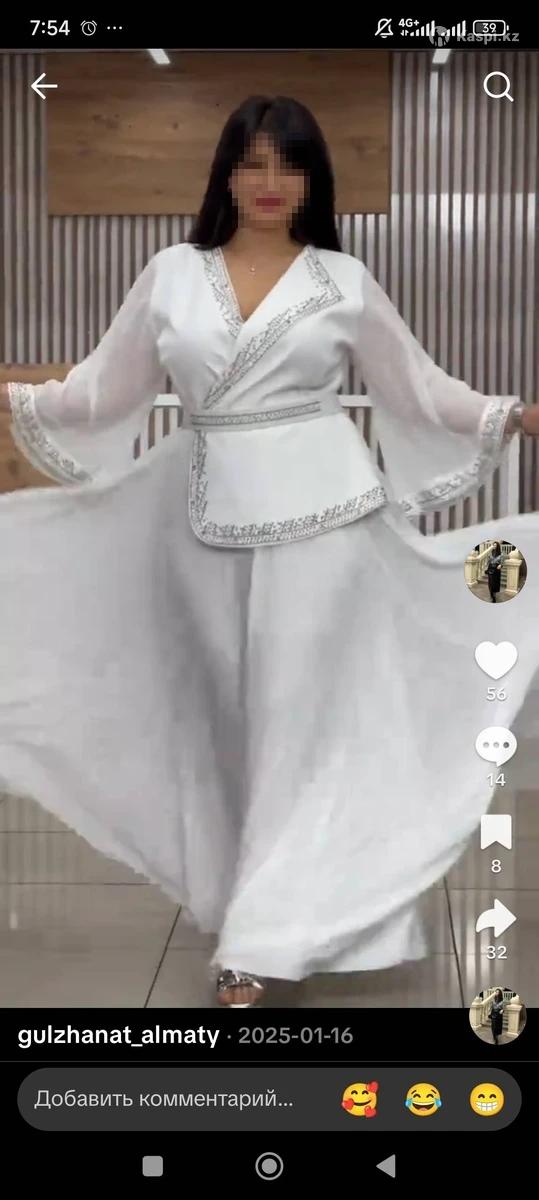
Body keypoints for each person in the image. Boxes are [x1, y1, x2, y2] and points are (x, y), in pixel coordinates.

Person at [1, 95, 539, 1009]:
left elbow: (419, 389)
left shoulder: (344, 279)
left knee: (302, 726)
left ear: (312, 180)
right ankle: (264, 902)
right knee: (227, 728)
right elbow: (99, 391)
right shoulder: (172, 273)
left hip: (328, 521)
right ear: (224, 173)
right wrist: (14, 394)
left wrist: (514, 415)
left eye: (287, 164)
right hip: (199, 529)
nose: (268, 182)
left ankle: (263, 941)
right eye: (251, 162)